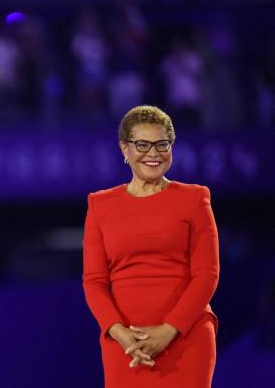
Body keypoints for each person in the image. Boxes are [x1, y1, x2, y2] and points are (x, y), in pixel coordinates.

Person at [82, 105, 219, 387]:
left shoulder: (195, 199)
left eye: (162, 144)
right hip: (126, 345)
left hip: (186, 338)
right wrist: (120, 333)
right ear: (124, 148)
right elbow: (94, 281)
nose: (153, 153)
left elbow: (207, 275)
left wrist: (169, 331)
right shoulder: (100, 204)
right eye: (142, 144)